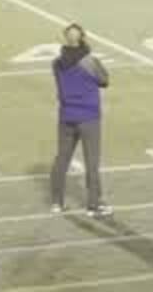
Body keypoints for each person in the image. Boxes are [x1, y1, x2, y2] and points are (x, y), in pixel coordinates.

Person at [47, 23, 111, 216]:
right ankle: (94, 204)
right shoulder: (89, 61)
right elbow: (104, 80)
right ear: (82, 38)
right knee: (92, 162)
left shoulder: (57, 63)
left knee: (62, 159)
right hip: (88, 117)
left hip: (66, 116)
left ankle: (56, 202)